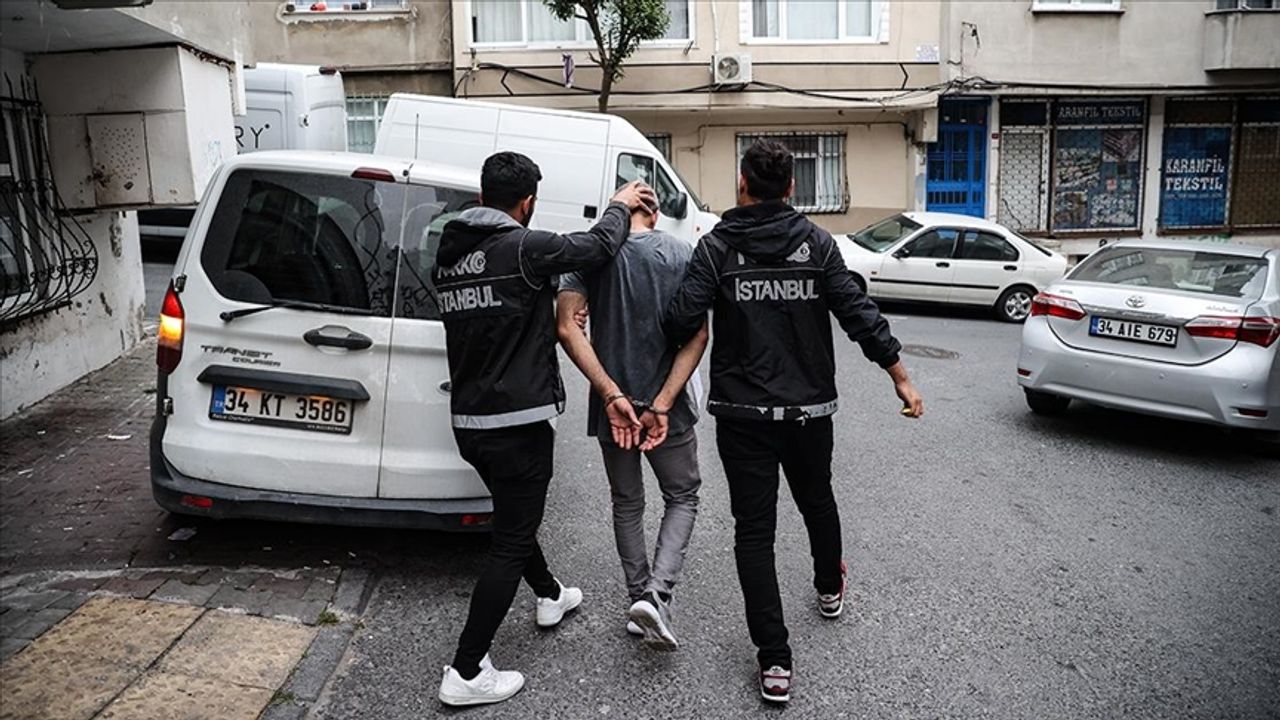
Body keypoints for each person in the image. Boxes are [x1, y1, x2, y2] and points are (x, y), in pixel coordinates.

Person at [664, 140, 925, 704]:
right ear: (789, 189)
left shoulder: (716, 248)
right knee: (816, 501)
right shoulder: (817, 244)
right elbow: (857, 313)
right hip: (809, 413)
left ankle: (775, 661)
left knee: (754, 532)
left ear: (742, 184)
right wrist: (899, 375)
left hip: (743, 416)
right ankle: (829, 587)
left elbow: (682, 317)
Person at [433, 151, 656, 707]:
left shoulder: (451, 254)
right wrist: (619, 205)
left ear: (482, 196)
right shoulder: (523, 247)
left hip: (470, 423)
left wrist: (554, 306)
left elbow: (504, 314)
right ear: (527, 202)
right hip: (518, 424)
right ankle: (467, 669)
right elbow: (598, 246)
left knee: (515, 517)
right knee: (511, 538)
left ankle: (550, 594)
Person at [556, 199, 709, 651]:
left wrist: (610, 394)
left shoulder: (593, 253)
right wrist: (662, 402)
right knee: (682, 495)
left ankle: (638, 596)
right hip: (666, 405)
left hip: (613, 408)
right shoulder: (681, 253)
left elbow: (566, 328)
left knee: (627, 503)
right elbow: (699, 334)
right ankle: (656, 596)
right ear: (655, 214)